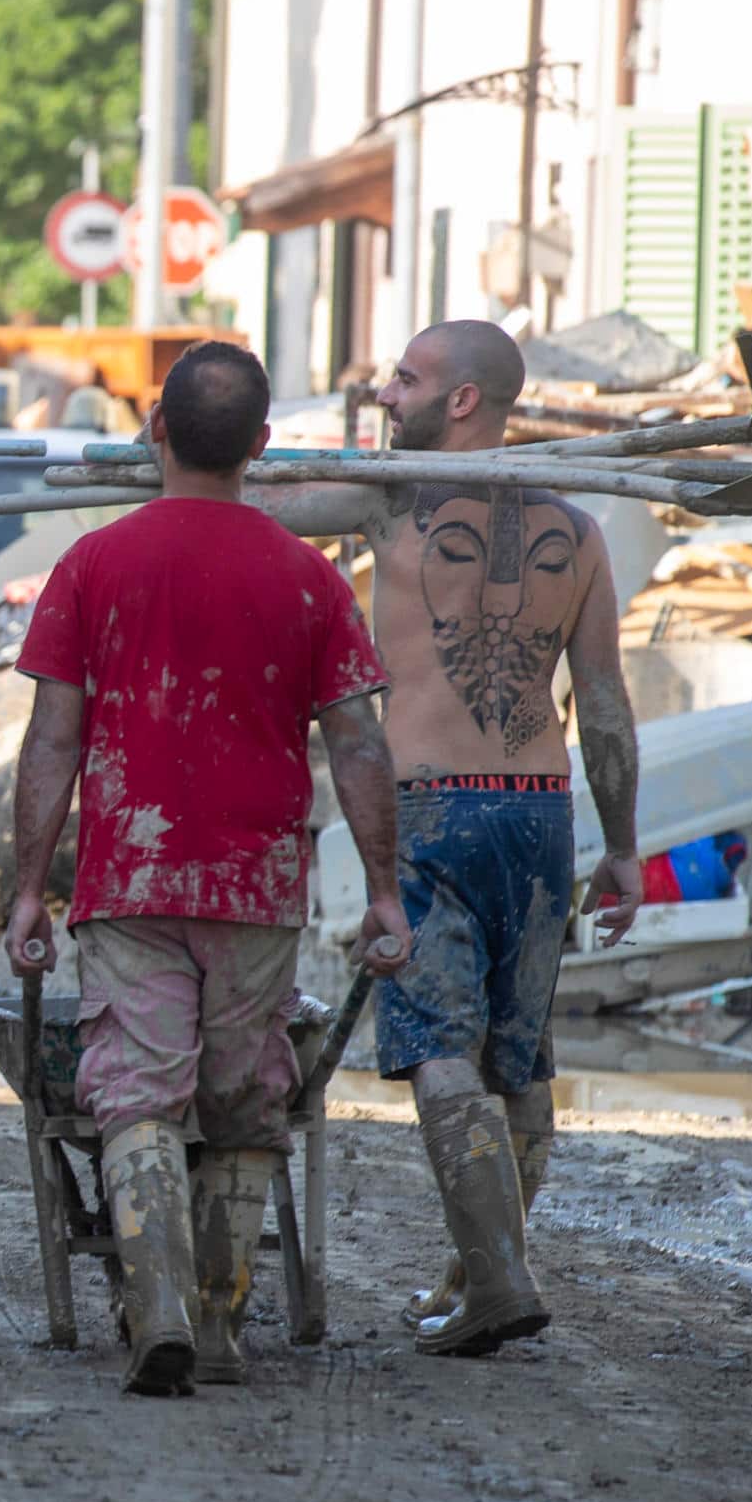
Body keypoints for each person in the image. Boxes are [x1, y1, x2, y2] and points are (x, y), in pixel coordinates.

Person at [2, 342, 411, 1393]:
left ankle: (158, 1309)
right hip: (255, 882)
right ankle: (220, 1329)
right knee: (240, 1103)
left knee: (135, 1095)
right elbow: (359, 743)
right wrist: (383, 890)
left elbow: (51, 739)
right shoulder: (309, 576)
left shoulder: (94, 563)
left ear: (156, 431)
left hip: (130, 875)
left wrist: (23, 889)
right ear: (263, 448)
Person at [256, 319, 643, 1358]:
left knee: (436, 1044)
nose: (386, 392)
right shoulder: (577, 524)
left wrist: (200, 462)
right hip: (535, 806)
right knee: (519, 1057)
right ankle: (481, 1269)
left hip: (430, 802)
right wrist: (621, 844)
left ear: (463, 400)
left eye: (406, 378)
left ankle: (500, 1278)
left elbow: (253, 503)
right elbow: (602, 702)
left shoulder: (393, 500)